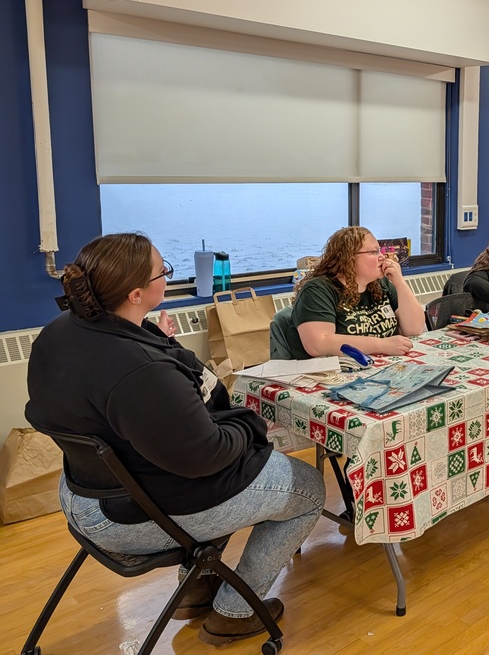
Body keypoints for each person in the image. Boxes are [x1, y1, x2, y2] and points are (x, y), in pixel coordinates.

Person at [25, 233, 326, 646]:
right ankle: (235, 612)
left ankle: (198, 587)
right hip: (127, 517)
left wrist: (165, 346)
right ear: (135, 293)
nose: (168, 276)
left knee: (237, 470)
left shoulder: (61, 332)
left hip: (83, 493)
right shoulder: (139, 371)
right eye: (163, 271)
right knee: (307, 488)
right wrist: (249, 425)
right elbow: (208, 456)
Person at [284, 226, 425, 359]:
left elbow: (414, 329)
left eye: (380, 251)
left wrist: (400, 283)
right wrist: (381, 345)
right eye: (374, 252)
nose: (382, 257)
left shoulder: (380, 284)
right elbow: (319, 344)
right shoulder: (317, 290)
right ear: (349, 258)